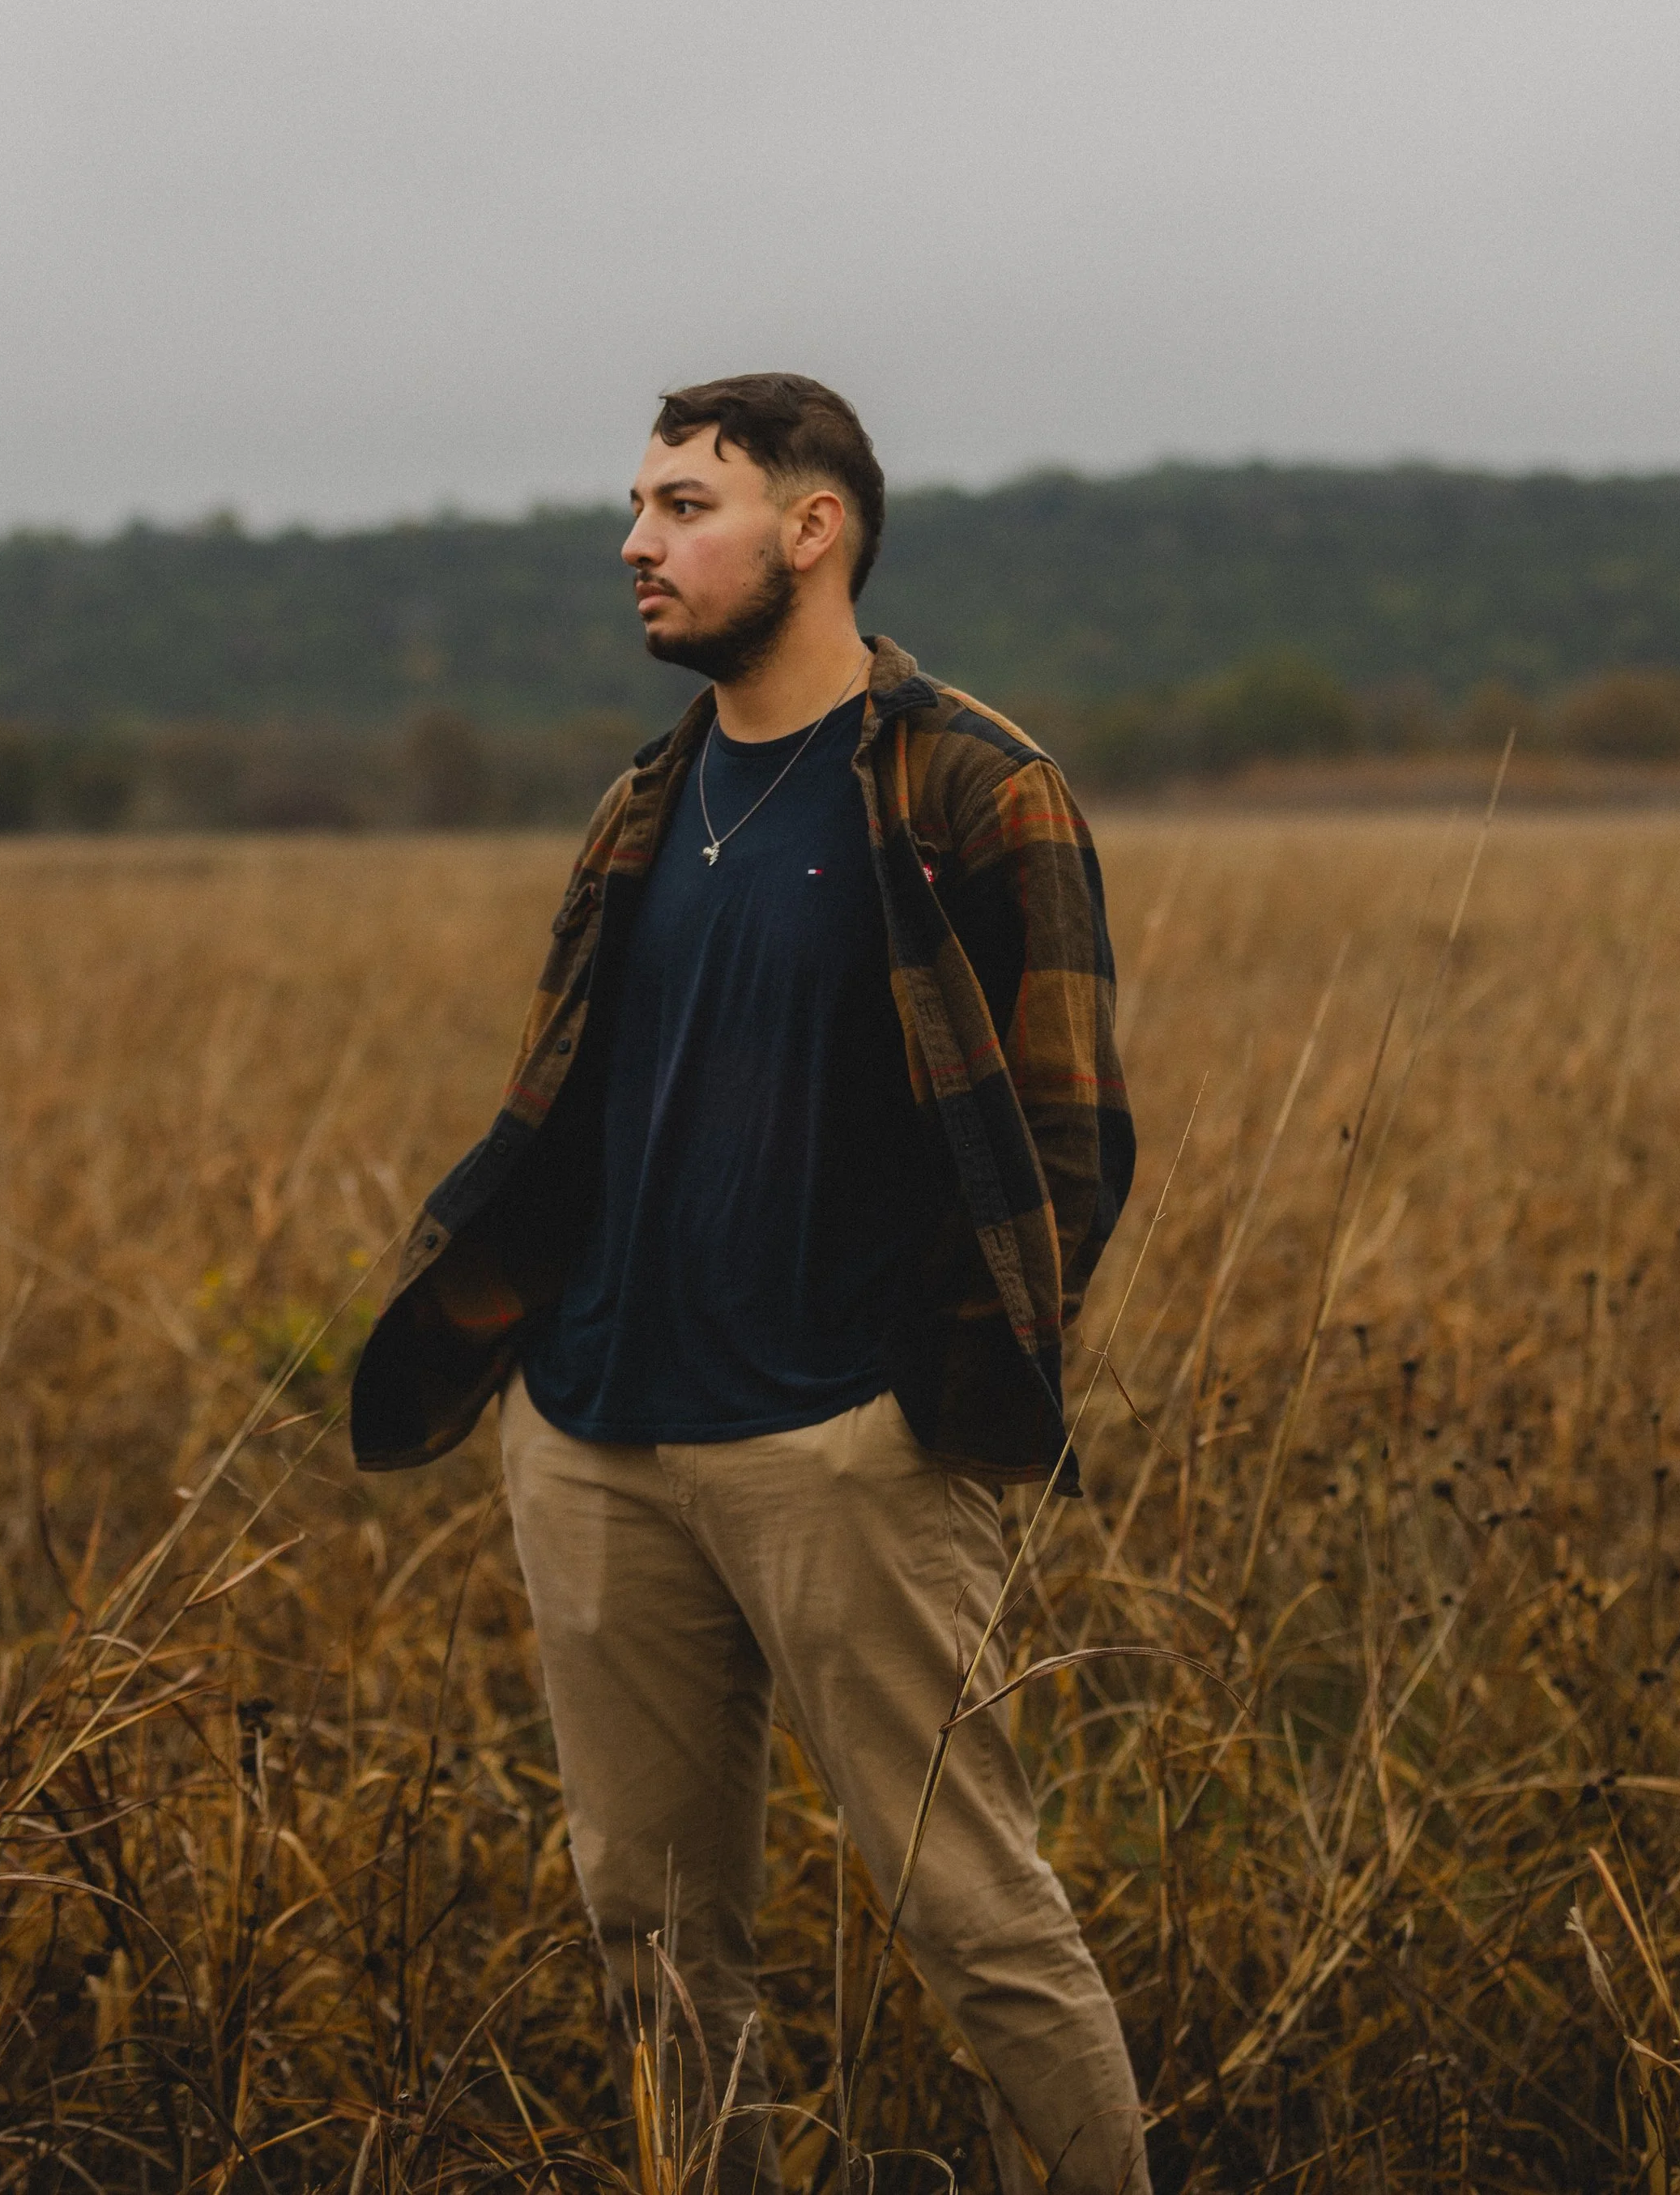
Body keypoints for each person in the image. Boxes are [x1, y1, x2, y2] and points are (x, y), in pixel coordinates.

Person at [351, 373, 1148, 2194]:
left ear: (814, 528)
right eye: (635, 507)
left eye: (684, 505)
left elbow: (1066, 1138)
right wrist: (542, 1370)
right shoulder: (645, 800)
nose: (636, 543)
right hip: (597, 1436)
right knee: (647, 1931)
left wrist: (908, 1399)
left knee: (974, 1917)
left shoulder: (970, 786)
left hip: (838, 1448)